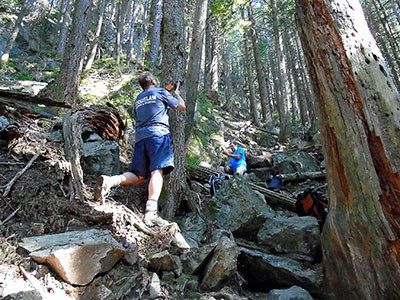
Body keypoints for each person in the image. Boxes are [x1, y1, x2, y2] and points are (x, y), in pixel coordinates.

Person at [94, 71, 186, 227]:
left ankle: (110, 181)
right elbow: (181, 107)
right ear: (152, 80)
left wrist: (169, 88)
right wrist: (176, 93)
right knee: (157, 170)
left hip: (141, 138)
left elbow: (157, 95)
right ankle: (151, 214)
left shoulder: (138, 99)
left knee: (138, 176)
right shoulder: (161, 92)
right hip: (158, 135)